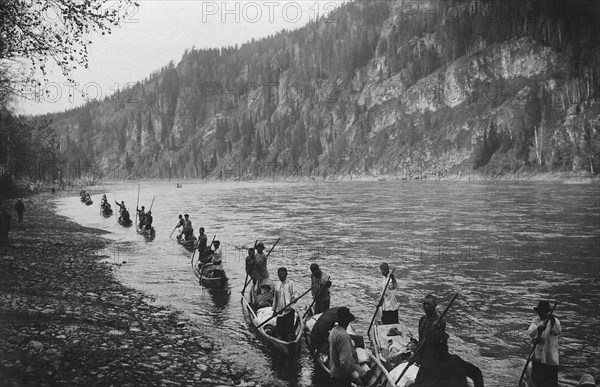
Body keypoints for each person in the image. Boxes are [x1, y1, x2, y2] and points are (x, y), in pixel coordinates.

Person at [412, 331, 484, 387]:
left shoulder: (428, 367)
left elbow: (419, 383)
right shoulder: (456, 361)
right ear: (445, 346)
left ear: (430, 349)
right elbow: (476, 373)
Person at [329, 307, 366, 387]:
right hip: (342, 376)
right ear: (347, 322)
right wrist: (356, 378)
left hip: (334, 371)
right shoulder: (344, 336)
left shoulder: (334, 331)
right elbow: (346, 361)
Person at [527, 300, 561, 387]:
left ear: (547, 311)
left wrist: (552, 321)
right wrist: (539, 329)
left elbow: (557, 331)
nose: (541, 313)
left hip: (551, 360)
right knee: (537, 382)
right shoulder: (536, 321)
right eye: (540, 311)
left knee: (550, 384)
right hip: (538, 359)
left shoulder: (555, 321)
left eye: (543, 311)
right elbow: (531, 332)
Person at [272, 267, 296, 341]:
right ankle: (280, 339)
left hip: (289, 310)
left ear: (286, 274)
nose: (281, 275)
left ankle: (290, 341)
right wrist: (274, 310)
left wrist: (295, 298)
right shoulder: (277, 285)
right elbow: (275, 299)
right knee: (279, 329)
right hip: (280, 311)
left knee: (289, 328)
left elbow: (295, 294)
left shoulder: (291, 283)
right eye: (280, 274)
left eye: (283, 274)